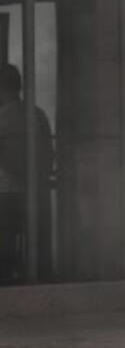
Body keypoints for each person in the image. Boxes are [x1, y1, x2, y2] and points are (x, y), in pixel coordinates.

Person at [0, 64, 53, 283]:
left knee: (4, 251)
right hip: (35, 193)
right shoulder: (37, 115)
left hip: (7, 196)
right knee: (36, 249)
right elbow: (48, 155)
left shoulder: (3, 119)